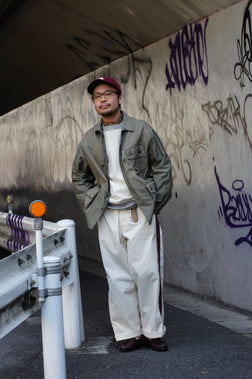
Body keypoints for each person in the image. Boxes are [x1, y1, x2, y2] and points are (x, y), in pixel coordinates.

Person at [72, 76, 172, 352]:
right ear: (94, 103)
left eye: (107, 94)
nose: (102, 99)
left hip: (139, 212)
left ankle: (152, 330)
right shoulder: (89, 139)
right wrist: (90, 200)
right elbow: (79, 175)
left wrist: (155, 202)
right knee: (117, 276)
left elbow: (161, 166)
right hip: (107, 215)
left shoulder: (141, 130)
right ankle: (128, 332)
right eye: (96, 97)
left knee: (147, 272)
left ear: (119, 98)